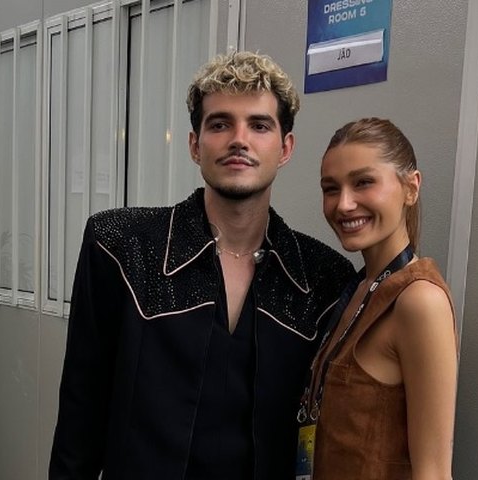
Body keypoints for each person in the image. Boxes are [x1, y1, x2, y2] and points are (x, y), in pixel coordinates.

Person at [48, 51, 354, 480]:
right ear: (195, 144)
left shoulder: (321, 279)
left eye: (259, 125)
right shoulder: (120, 247)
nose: (239, 139)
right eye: (220, 123)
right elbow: (81, 411)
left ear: (285, 148)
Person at [303, 118, 458, 479]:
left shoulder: (420, 301)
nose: (344, 204)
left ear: (411, 187)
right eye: (330, 188)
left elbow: (433, 472)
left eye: (363, 182)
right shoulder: (357, 288)